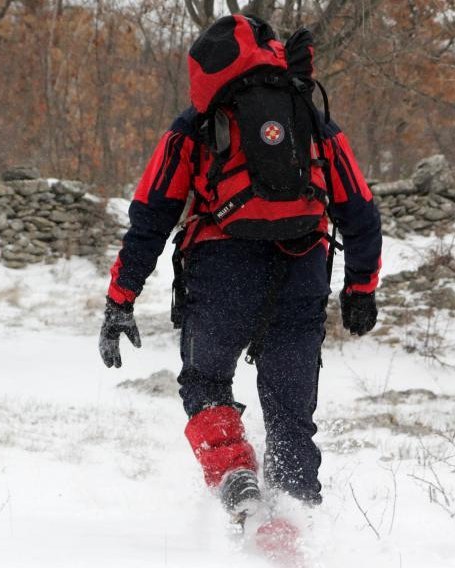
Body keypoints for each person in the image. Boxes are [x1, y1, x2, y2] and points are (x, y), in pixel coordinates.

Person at [99, 15, 381, 520]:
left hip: (222, 272)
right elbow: (359, 209)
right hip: (302, 270)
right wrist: (361, 288)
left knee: (205, 381)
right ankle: (296, 522)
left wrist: (120, 298)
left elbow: (151, 216)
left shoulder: (195, 125)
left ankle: (235, 477)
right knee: (292, 418)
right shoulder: (309, 117)